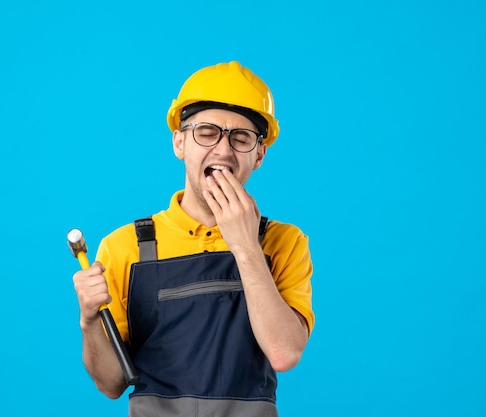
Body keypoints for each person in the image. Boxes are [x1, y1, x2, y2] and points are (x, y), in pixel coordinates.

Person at [72, 61, 314, 417]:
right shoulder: (124, 247)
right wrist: (89, 320)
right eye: (206, 132)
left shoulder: (283, 242)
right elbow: (110, 384)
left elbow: (284, 353)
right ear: (179, 142)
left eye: (241, 137)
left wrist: (245, 244)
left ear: (259, 155)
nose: (223, 150)